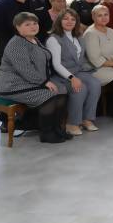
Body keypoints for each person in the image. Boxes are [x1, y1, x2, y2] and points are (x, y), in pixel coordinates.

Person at [0, 12, 71, 143]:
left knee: (61, 94)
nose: (33, 26)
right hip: (12, 85)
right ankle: (46, 133)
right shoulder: (16, 44)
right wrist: (44, 82)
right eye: (27, 24)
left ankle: (57, 129)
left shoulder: (34, 39)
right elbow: (25, 69)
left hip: (29, 83)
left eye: (35, 23)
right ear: (17, 27)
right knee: (50, 96)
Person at [46, 8, 102, 136]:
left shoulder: (78, 36)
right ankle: (72, 123)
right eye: (65, 18)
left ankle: (87, 119)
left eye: (73, 19)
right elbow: (56, 65)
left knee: (95, 84)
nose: (69, 21)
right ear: (59, 21)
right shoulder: (53, 39)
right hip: (60, 74)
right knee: (80, 88)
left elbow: (81, 58)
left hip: (78, 70)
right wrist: (72, 78)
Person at [0, 0, 51, 69]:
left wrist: (34, 44)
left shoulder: (40, 2)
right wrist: (23, 45)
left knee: (38, 77)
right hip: (10, 53)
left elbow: (47, 25)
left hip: (37, 52)